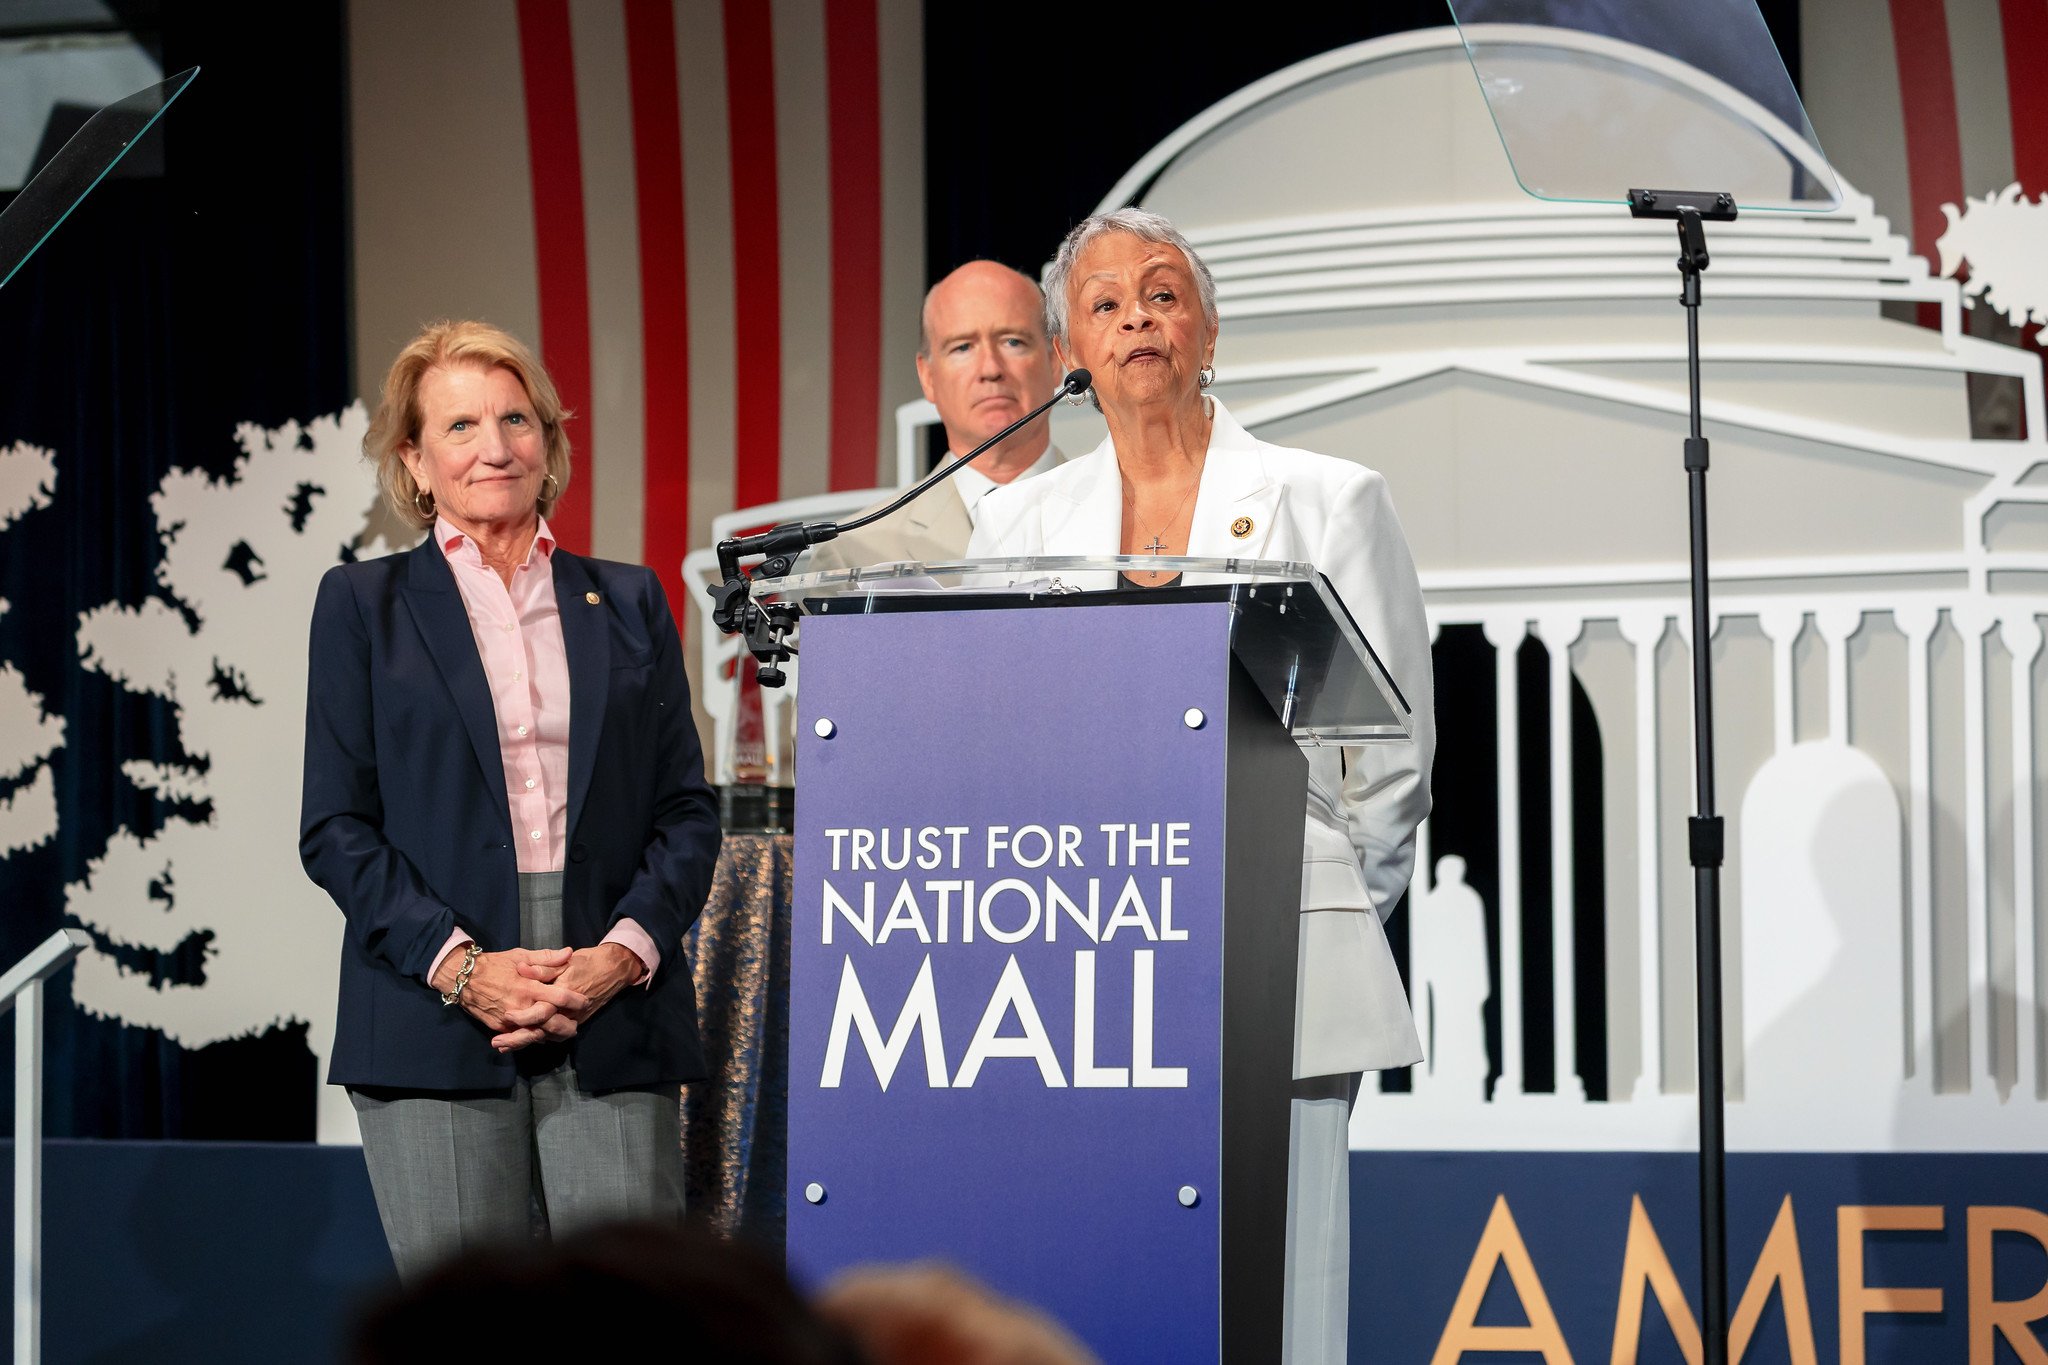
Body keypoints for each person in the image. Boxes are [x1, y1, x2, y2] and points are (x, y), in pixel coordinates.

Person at [967, 209, 1435, 1364]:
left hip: (1282, 957)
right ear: (1071, 354)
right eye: (1104, 303)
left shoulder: (1328, 499)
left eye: (1162, 294)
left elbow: (1389, 761)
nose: (1136, 317)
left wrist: (1306, 909)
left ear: (1209, 331)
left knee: (1283, 1296)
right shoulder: (1015, 523)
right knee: (1105, 1286)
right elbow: (990, 748)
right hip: (1082, 969)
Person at [300, 320, 721, 1281]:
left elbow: (687, 812)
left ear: (548, 440)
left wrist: (621, 955)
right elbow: (336, 828)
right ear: (415, 459)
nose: (494, 446)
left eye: (515, 419)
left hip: (611, 1002)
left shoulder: (629, 599)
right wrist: (461, 969)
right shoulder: (361, 605)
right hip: (431, 1010)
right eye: (460, 426)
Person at [804, 260, 1066, 571]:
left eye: (1013, 342)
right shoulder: (852, 555)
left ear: (1055, 361)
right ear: (927, 377)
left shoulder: (1117, 516)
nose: (990, 369)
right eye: (963, 347)